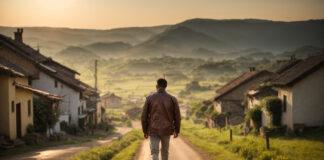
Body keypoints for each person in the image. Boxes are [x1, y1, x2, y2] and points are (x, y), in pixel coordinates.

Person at [141, 78, 181, 160]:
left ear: (156, 86)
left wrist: (145, 131)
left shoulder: (149, 98)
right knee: (165, 151)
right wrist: (177, 130)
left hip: (153, 129)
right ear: (166, 86)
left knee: (154, 152)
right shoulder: (172, 99)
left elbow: (144, 116)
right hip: (167, 129)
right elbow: (177, 117)